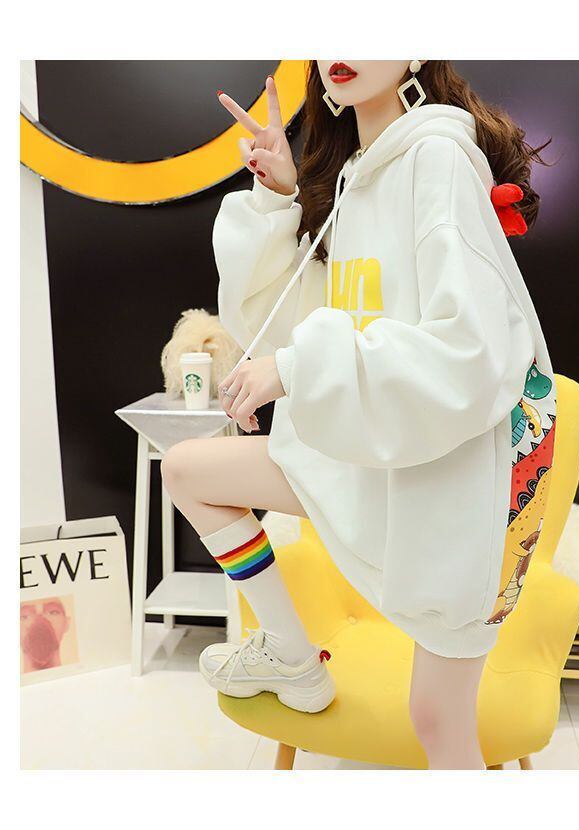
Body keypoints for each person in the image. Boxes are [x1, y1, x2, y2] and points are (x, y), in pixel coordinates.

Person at [161, 60, 556, 770]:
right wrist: (279, 198)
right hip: (383, 456)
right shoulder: (358, 176)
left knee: (438, 720)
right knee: (189, 470)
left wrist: (294, 369)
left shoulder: (436, 158)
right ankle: (290, 655)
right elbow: (312, 318)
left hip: (456, 474)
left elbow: (470, 350)